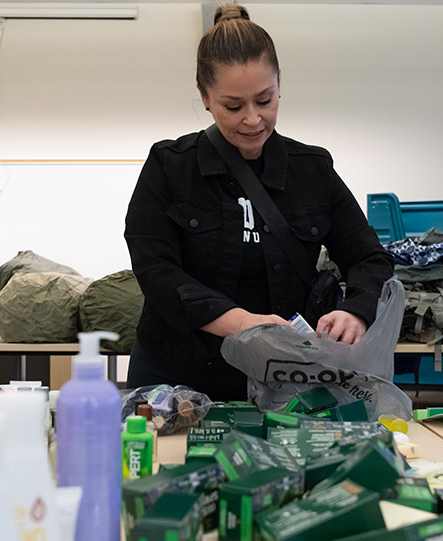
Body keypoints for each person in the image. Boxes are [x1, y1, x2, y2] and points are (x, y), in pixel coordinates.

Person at [124, 2, 393, 403]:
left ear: (280, 84)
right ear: (204, 96)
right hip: (179, 375)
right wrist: (242, 323)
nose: (252, 120)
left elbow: (369, 258)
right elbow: (155, 269)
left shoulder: (313, 170)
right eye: (233, 106)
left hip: (281, 381)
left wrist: (356, 311)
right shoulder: (169, 166)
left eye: (265, 101)